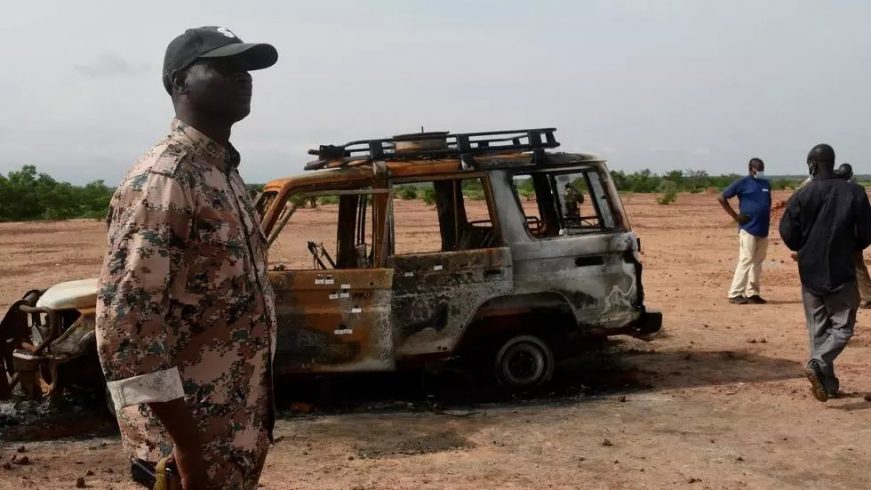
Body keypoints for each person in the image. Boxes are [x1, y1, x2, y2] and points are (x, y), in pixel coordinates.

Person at [95, 26, 279, 489]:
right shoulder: (165, 178)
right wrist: (187, 446)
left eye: (246, 69)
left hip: (228, 433)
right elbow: (126, 328)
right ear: (180, 83)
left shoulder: (222, 171)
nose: (243, 77)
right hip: (184, 447)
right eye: (225, 66)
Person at [779, 144, 871, 402]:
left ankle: (827, 382)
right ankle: (820, 365)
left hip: (810, 273)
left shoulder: (802, 195)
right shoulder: (855, 192)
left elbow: (787, 232)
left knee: (818, 330)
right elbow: (866, 233)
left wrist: (806, 249)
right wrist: (851, 246)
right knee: (842, 328)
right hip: (842, 271)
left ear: (812, 164)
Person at [718, 158, 772, 304]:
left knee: (758, 261)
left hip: (763, 228)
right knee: (746, 259)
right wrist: (736, 216)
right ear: (751, 169)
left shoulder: (765, 184)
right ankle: (735, 293)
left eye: (762, 169)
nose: (760, 172)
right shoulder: (742, 183)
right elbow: (722, 197)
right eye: (758, 169)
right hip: (748, 228)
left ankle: (752, 293)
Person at [836, 164, 871, 308]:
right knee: (857, 266)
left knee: (847, 266)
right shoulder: (858, 190)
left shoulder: (835, 190)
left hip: (841, 234)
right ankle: (866, 296)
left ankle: (865, 296)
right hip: (854, 235)